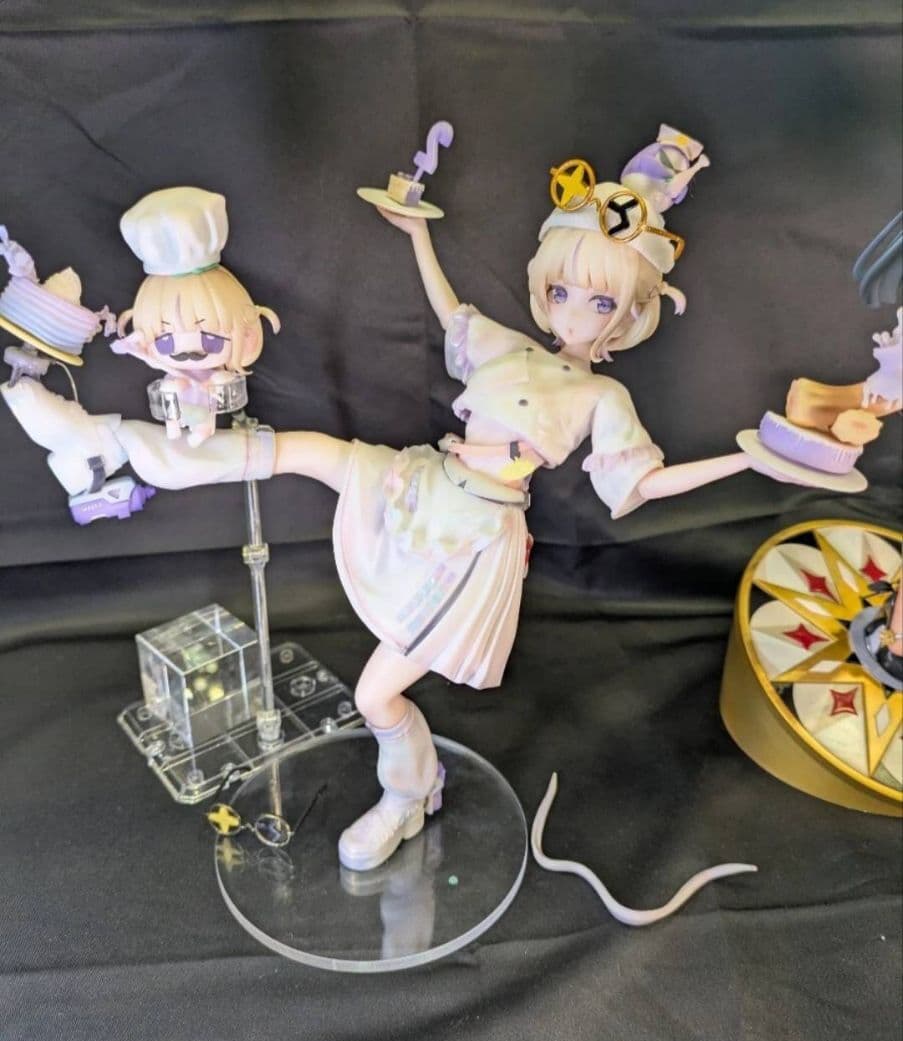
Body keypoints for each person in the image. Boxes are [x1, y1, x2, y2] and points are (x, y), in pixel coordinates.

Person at [1, 130, 781, 875]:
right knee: (302, 450)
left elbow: (641, 483)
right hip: (423, 480)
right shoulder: (508, 347)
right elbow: (449, 310)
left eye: (600, 304)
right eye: (561, 290)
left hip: (473, 535)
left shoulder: (601, 397)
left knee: (377, 693)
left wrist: (749, 459)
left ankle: (408, 793)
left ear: (634, 313)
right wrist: (415, 233)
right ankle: (113, 447)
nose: (574, 313)